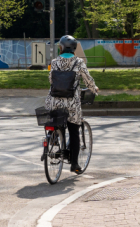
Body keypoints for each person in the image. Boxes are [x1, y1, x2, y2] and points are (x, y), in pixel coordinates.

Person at [45, 35, 99, 174]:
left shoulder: (55, 62)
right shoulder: (78, 62)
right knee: (74, 132)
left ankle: (54, 136)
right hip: (72, 103)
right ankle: (74, 164)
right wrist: (94, 89)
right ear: (74, 48)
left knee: (57, 120)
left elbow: (51, 79)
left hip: (54, 101)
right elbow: (87, 79)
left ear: (62, 47)